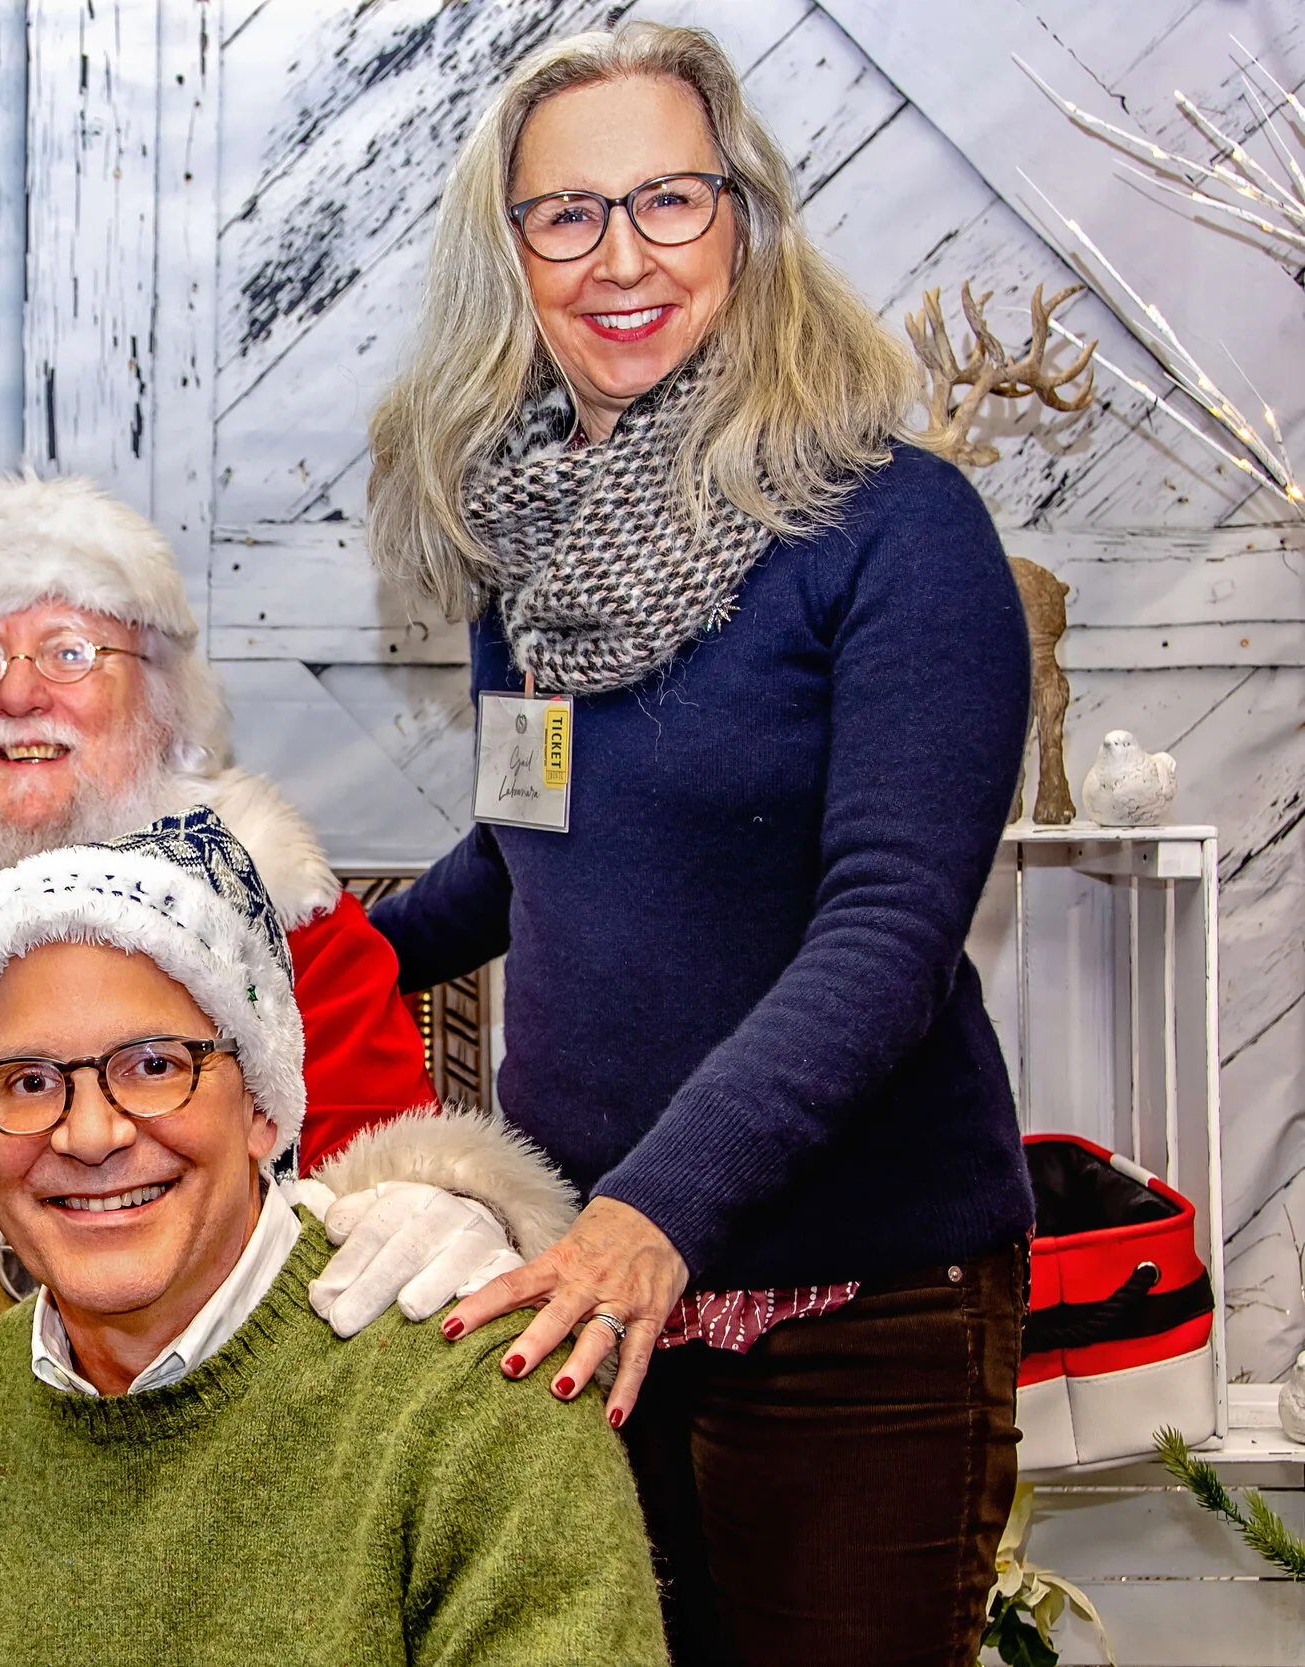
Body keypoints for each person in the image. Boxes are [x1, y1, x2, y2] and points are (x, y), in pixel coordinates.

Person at [363, 20, 1032, 1665]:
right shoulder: (530, 549)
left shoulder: (892, 525)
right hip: (592, 1289)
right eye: (567, 215)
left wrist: (654, 1214)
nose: (621, 259)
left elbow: (888, 930)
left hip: (851, 1310)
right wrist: (275, 961)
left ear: (745, 216)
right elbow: (522, 853)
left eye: (668, 200)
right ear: (511, 252)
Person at [0, 475, 577, 1654]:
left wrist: (438, 1201)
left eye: (69, 650)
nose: (19, 691)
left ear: (163, 695)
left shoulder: (291, 936)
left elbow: (379, 1194)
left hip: (223, 1499)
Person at [0, 808, 665, 1665]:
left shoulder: (478, 1410)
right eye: (29, 1080)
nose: (90, 1134)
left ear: (263, 1103)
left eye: (155, 1065)